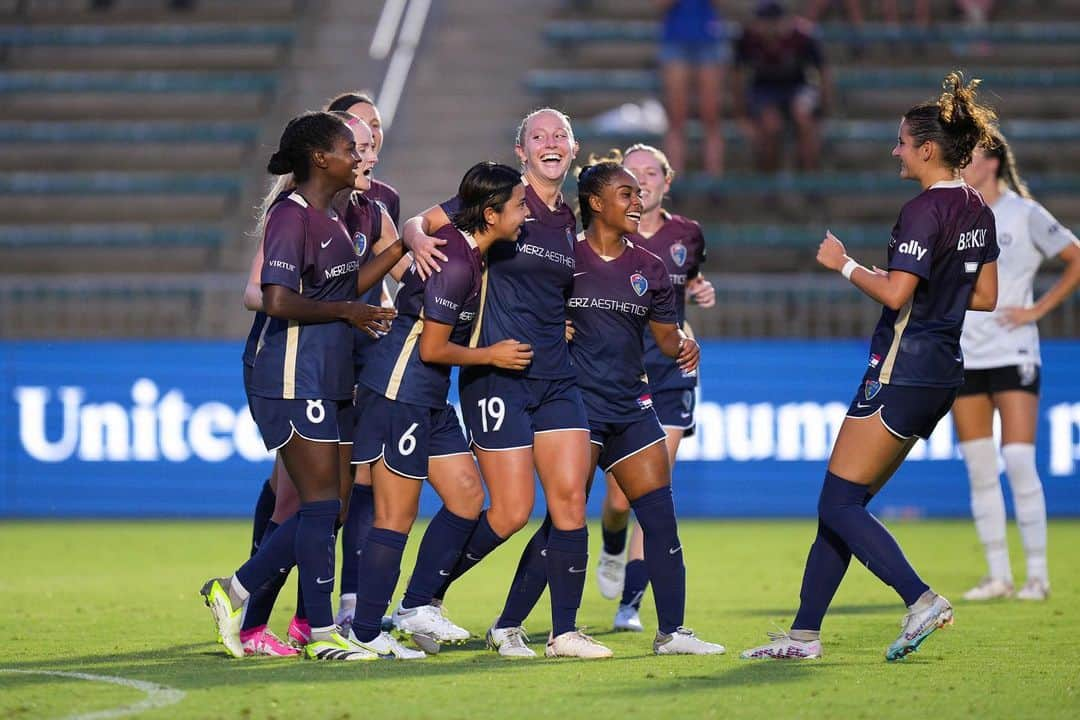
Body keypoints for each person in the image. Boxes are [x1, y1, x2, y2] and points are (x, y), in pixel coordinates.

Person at [741, 71, 1000, 661]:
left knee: (836, 504)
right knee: (844, 504)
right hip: (941, 371)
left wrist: (843, 263)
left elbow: (894, 294)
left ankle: (920, 598)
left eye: (903, 141)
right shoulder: (977, 208)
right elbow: (984, 296)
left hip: (902, 368)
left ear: (927, 149)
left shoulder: (923, 210)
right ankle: (804, 636)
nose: (895, 150)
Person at [200, 111, 402, 661]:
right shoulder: (290, 216)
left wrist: (403, 245)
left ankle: (234, 590)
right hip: (292, 374)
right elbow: (278, 298)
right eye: (347, 148)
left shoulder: (333, 220)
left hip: (327, 376)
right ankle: (318, 633)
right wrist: (348, 312)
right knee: (318, 505)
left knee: (330, 506)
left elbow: (350, 283)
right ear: (320, 158)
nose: (357, 157)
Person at [403, 108, 604, 659]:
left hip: (556, 376)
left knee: (569, 503)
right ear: (521, 151)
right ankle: (421, 601)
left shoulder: (571, 220)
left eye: (559, 134)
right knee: (511, 511)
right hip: (496, 374)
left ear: (574, 147)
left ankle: (562, 632)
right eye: (538, 136)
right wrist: (417, 242)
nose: (550, 143)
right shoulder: (501, 200)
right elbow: (417, 226)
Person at [505, 156, 725, 655]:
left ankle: (673, 633)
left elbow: (667, 338)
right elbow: (525, 311)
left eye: (639, 192)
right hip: (573, 408)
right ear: (596, 203)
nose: (637, 200)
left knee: (660, 516)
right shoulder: (564, 260)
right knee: (564, 518)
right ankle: (513, 623)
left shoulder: (649, 267)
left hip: (630, 405)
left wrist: (685, 346)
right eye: (625, 194)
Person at [345, 162, 532, 658]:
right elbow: (431, 348)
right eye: (518, 205)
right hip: (399, 390)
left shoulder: (468, 249)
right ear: (490, 214)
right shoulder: (455, 265)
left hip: (429, 397)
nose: (525, 212)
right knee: (395, 515)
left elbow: (424, 223)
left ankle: (413, 606)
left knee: (467, 497)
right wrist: (491, 355)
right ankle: (364, 631)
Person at [594, 144, 715, 633]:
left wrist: (700, 289)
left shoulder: (687, 234)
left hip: (670, 372)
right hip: (619, 372)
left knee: (654, 487)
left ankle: (631, 604)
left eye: (651, 172)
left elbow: (689, 278)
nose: (642, 180)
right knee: (620, 500)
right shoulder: (605, 232)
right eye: (633, 173)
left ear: (667, 180)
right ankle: (611, 544)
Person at [955, 130, 1080, 602]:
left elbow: (1075, 258)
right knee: (980, 466)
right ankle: (998, 576)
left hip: (1013, 350)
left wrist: (1035, 311)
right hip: (967, 351)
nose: (963, 163)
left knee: (1020, 459)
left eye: (970, 155)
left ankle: (1038, 577)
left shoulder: (1024, 214)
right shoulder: (957, 215)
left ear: (992, 161)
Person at [732, 1, 832, 172]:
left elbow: (823, 72)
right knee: (771, 126)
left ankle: (810, 177)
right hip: (763, 89)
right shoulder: (747, 38)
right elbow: (737, 77)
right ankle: (769, 182)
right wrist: (742, 116)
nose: (769, 28)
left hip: (797, 87)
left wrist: (824, 108)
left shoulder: (802, 36)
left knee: (804, 118)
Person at [655, 0, 730, 175]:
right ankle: (675, 179)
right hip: (675, 41)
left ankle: (714, 181)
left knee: (711, 115)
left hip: (709, 40)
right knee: (676, 116)